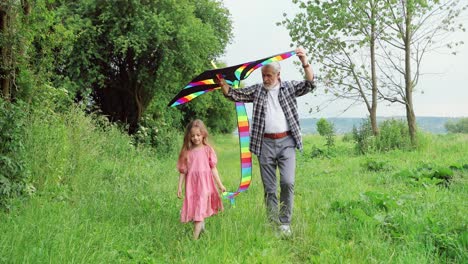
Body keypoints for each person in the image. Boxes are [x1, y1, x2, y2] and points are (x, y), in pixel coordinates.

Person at [216, 47, 316, 236]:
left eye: (269, 75)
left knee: (287, 182)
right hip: (265, 145)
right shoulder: (258, 90)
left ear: (278, 75)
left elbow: (310, 84)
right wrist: (223, 85)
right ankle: (272, 224)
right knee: (270, 188)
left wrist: (304, 61)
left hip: (287, 142)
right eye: (263, 75)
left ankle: (285, 223)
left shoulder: (290, 87)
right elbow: (234, 94)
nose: (265, 79)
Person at [177, 119, 226, 240]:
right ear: (189, 136)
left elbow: (213, 169)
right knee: (195, 210)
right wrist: (179, 187)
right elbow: (183, 171)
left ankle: (193, 241)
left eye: (198, 135)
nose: (196, 138)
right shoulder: (187, 152)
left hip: (205, 185)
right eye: (193, 135)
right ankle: (201, 229)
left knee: (199, 212)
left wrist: (220, 185)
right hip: (192, 186)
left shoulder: (207, 150)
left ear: (203, 134)